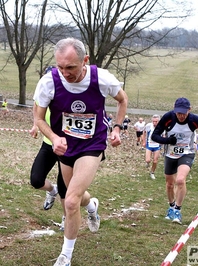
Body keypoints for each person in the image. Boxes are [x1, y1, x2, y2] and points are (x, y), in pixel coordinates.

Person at [34, 38, 128, 266]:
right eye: (60, 67)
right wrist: (54, 137)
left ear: (85, 60)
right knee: (73, 198)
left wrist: (116, 128)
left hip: (91, 145)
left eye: (71, 67)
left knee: (70, 201)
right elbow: (38, 117)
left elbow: (122, 99)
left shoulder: (102, 78)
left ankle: (65, 255)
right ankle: (92, 206)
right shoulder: (49, 82)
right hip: (66, 147)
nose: (65, 73)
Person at [151, 97, 198, 224]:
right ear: (174, 110)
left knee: (180, 180)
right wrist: (168, 140)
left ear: (189, 110)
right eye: (178, 113)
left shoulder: (194, 120)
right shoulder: (168, 117)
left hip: (186, 153)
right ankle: (171, 207)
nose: (181, 116)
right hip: (170, 154)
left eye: (183, 112)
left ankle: (177, 210)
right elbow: (154, 135)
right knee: (170, 184)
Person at [29, 103, 67, 230]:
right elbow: (37, 105)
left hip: (68, 147)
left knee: (64, 187)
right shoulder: (47, 85)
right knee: (36, 180)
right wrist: (35, 125)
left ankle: (67, 217)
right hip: (48, 143)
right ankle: (52, 190)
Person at [143, 114, 162, 180]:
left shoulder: (162, 127)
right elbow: (144, 132)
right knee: (148, 160)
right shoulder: (148, 126)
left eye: (156, 121)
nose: (154, 123)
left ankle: (152, 172)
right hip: (149, 145)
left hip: (157, 145)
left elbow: (164, 135)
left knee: (155, 161)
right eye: (153, 121)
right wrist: (144, 141)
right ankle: (147, 163)